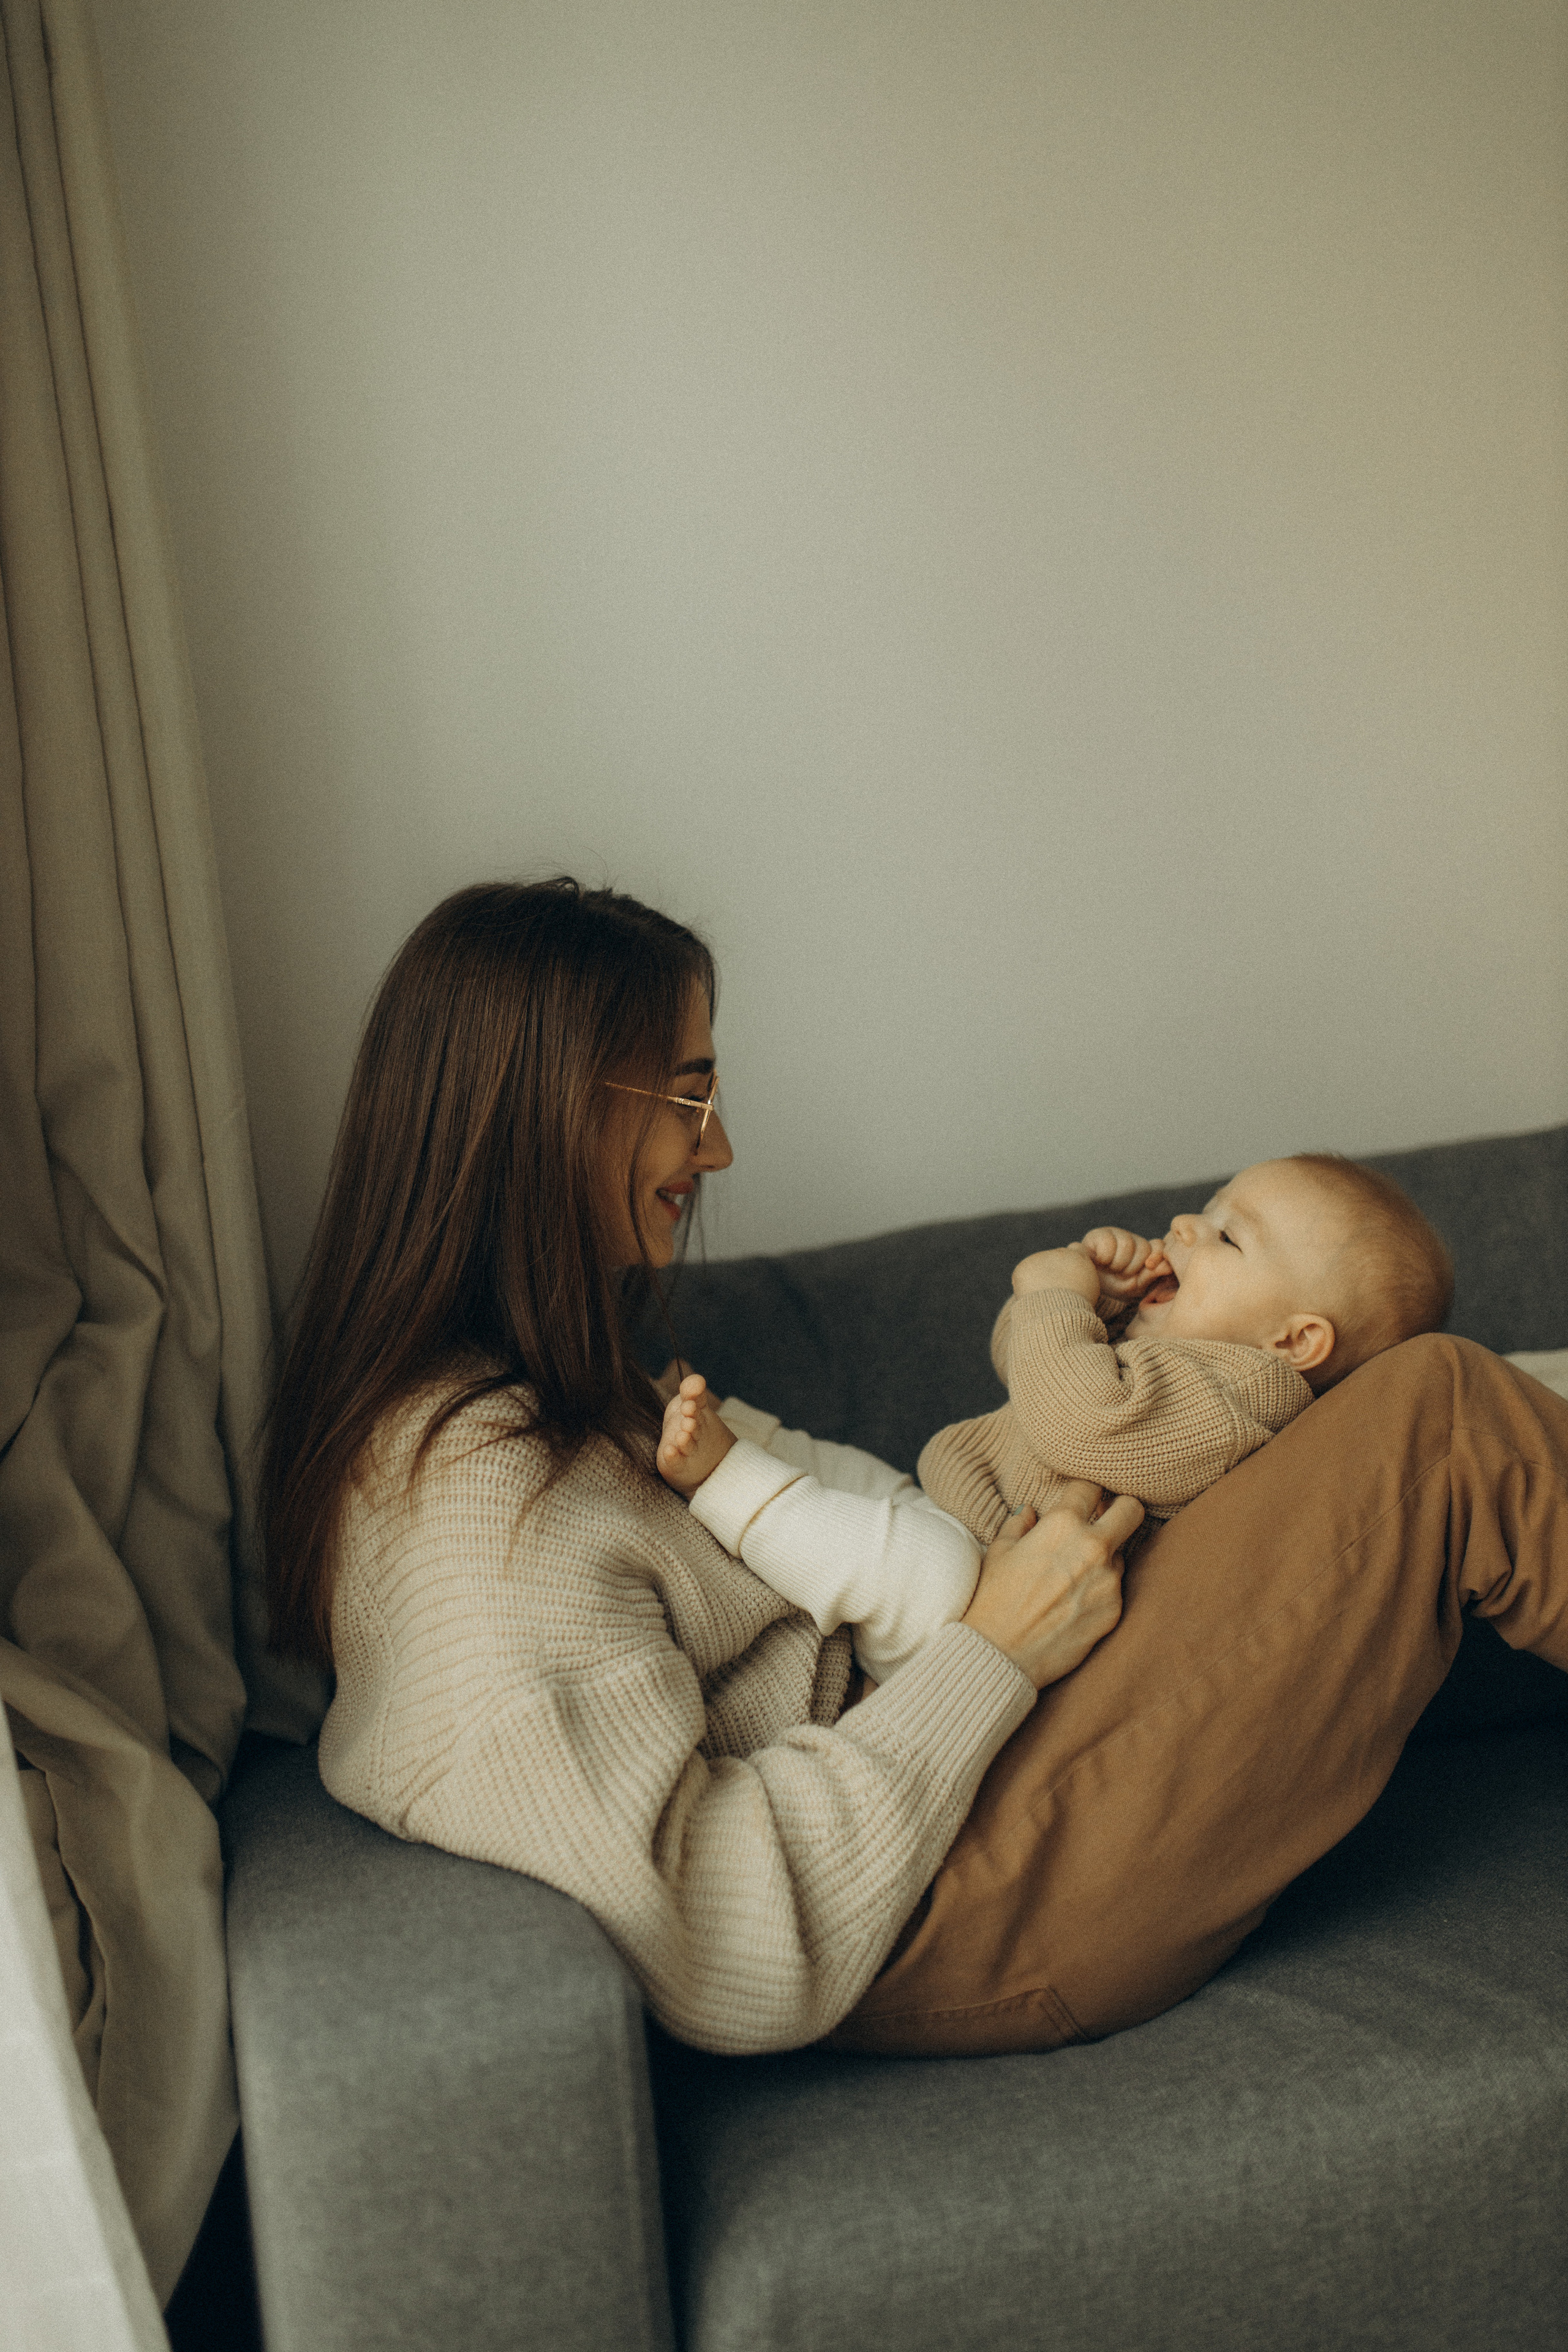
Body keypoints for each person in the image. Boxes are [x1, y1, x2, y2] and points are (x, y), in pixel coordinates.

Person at [263, 877, 1568, 2062]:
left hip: (976, 1778)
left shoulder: (556, 1391)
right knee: (1441, 1417)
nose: (715, 1151)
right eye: (687, 1095)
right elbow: (726, 1951)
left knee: (1422, 1410)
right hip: (952, 1894)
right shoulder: (471, 1504)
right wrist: (988, 1649)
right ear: (544, 1109)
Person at [652, 1156, 1454, 1684]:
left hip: (971, 1608)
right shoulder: (1174, 1352)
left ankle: (729, 1476)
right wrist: (1094, 1305)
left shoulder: (1241, 1401)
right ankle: (747, 1433)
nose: (1183, 1227)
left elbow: (1074, 1421)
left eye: (1226, 1236)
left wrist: (1053, 1299)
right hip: (965, 1525)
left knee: (911, 1557)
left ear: (1295, 1341)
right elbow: (1027, 1369)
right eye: (1205, 1208)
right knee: (861, 1480)